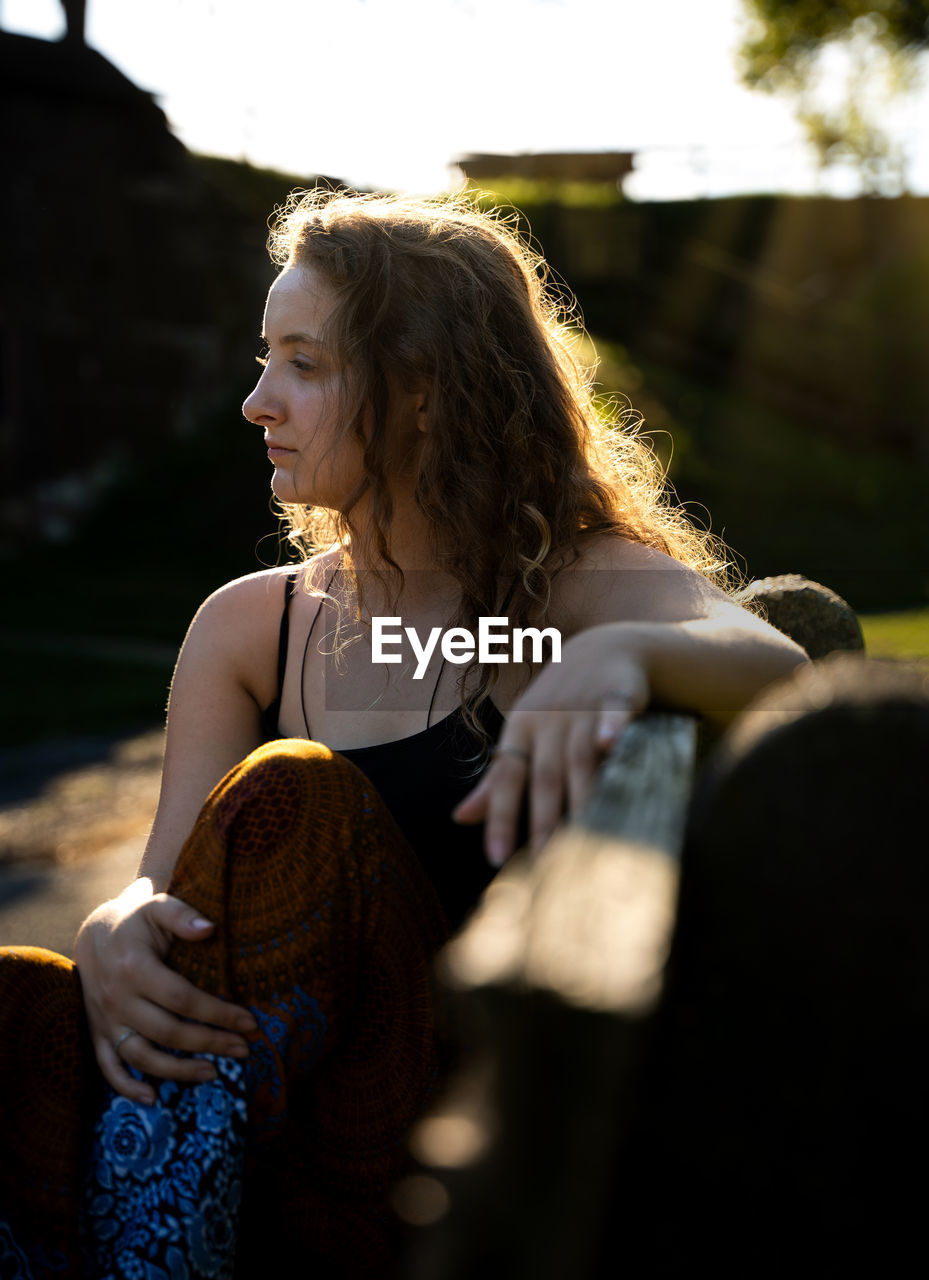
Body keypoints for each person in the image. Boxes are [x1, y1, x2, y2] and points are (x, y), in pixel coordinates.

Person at [0, 189, 806, 1278]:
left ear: (422, 390)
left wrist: (626, 651)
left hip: (435, 1161)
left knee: (304, 798)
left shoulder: (566, 582)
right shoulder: (252, 623)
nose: (256, 402)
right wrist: (117, 918)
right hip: (248, 1121)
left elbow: (775, 662)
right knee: (17, 999)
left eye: (304, 364)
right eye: (263, 357)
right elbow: (176, 882)